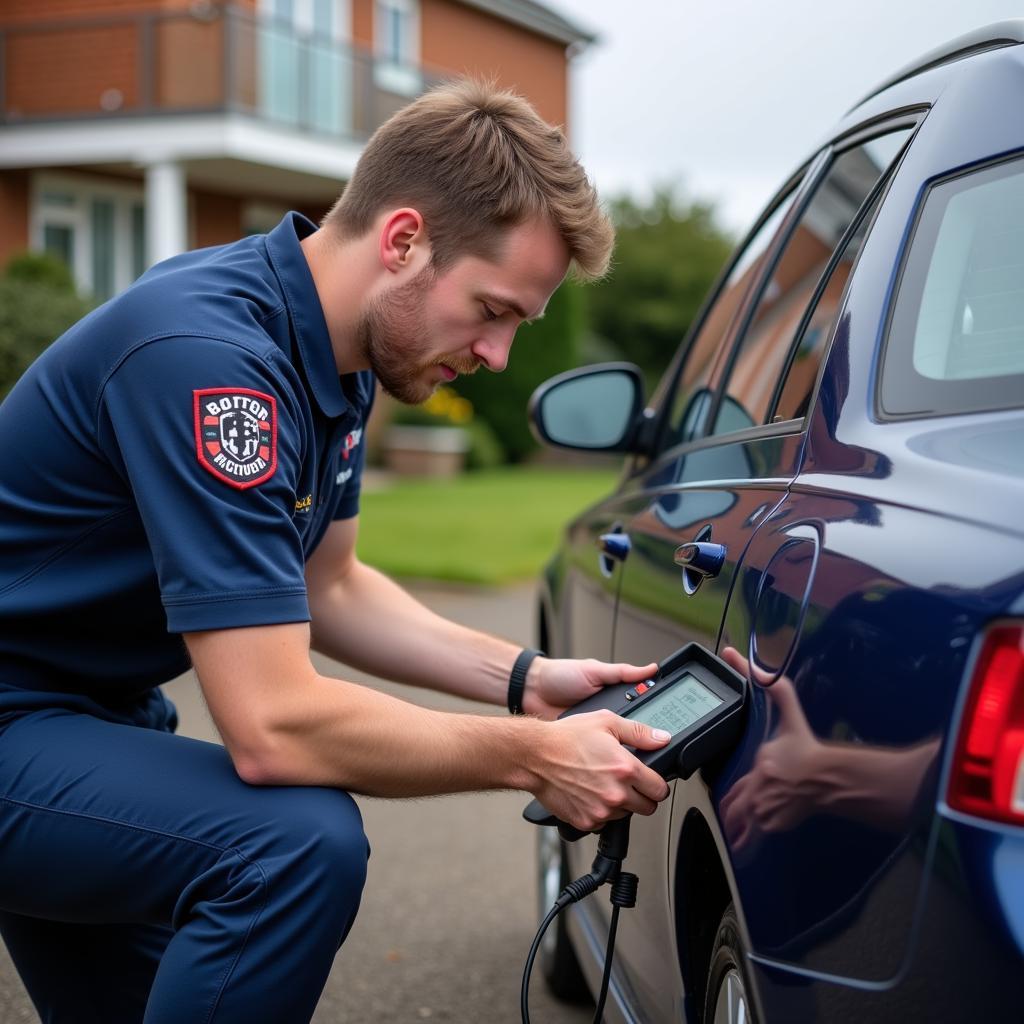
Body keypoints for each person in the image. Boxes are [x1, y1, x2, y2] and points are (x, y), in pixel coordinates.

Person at [0, 79, 672, 1023]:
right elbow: (273, 726)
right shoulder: (208, 359)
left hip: (84, 721)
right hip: (18, 723)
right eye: (492, 309)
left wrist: (525, 679)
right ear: (402, 241)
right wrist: (533, 756)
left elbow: (334, 586)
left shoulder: (338, 354)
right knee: (291, 842)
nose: (498, 355)